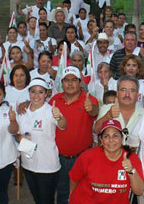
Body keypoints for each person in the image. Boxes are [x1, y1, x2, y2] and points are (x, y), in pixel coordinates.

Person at [48, 66, 99, 204]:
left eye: (74, 80)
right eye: (66, 80)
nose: (70, 84)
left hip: (81, 157)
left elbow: (94, 111)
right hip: (58, 157)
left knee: (82, 193)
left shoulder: (89, 99)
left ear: (80, 82)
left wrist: (91, 108)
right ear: (61, 83)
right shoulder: (54, 100)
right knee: (62, 193)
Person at [15, 77, 66, 204]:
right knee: (37, 199)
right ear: (29, 93)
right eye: (33, 91)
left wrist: (58, 117)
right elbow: (16, 134)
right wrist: (19, 137)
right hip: (28, 165)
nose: (36, 95)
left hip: (47, 167)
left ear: (46, 94)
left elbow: (64, 125)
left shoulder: (51, 111)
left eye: (40, 92)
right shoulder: (22, 111)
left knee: (46, 201)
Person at [69, 119, 144, 203]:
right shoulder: (87, 156)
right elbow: (74, 179)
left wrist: (131, 171)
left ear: (122, 138)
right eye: (106, 136)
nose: (111, 140)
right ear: (101, 140)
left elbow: (139, 191)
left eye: (115, 136)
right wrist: (71, 195)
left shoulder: (131, 158)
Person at [95, 75, 144, 144]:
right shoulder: (106, 108)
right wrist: (108, 116)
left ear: (137, 95)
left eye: (132, 90)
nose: (127, 94)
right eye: (123, 90)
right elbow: (96, 130)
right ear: (117, 93)